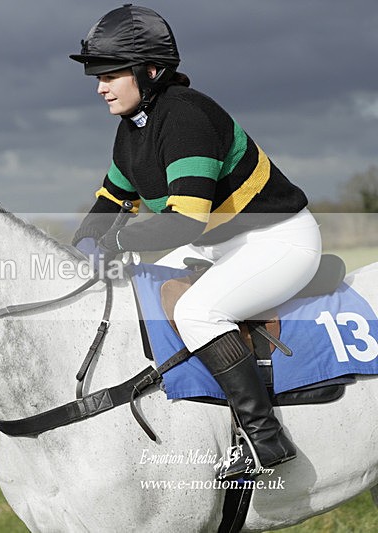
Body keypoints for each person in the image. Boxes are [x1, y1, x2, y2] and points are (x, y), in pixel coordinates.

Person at [69, 4, 322, 481]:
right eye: (95, 75)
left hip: (279, 240)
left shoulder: (185, 117)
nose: (99, 86)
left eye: (109, 74)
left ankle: (263, 435)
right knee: (134, 287)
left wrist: (117, 241)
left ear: (149, 71)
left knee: (196, 311)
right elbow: (112, 199)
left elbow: (184, 221)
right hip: (222, 244)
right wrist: (82, 243)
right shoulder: (132, 130)